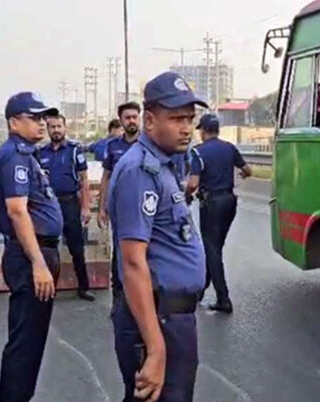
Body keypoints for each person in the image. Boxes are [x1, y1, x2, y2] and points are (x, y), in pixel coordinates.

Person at [109, 71, 207, 401]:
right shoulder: (140, 171)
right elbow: (134, 263)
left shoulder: (164, 164)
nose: (186, 128)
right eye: (177, 118)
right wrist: (155, 349)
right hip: (156, 318)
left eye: (190, 119)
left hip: (172, 317)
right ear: (149, 121)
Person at [0, 92, 63, 402]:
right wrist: (38, 263)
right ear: (13, 122)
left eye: (42, 118)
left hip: (38, 251)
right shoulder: (15, 155)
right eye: (34, 118)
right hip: (29, 255)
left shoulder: (26, 153)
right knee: (25, 342)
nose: (42, 124)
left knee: (31, 340)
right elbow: (17, 210)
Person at [186, 114, 251, 314]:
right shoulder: (229, 148)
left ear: (203, 131)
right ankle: (201, 290)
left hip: (211, 203)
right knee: (214, 247)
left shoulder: (198, 152)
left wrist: (186, 195)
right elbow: (248, 170)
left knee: (212, 249)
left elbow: (194, 183)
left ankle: (223, 298)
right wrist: (240, 174)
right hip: (229, 202)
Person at [38, 112, 95, 301]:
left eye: (59, 126)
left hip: (70, 203)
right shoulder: (41, 153)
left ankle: (84, 287)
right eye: (52, 127)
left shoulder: (74, 150)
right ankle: (48, 288)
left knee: (77, 249)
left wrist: (85, 207)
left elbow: (84, 180)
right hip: (49, 206)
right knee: (48, 248)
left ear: (65, 128)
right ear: (48, 130)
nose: (56, 130)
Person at [98, 101, 141, 308]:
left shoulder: (148, 144)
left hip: (143, 210)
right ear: (121, 121)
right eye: (127, 117)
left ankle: (142, 300)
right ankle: (118, 300)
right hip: (119, 211)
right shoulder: (113, 147)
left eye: (134, 116)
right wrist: (102, 207)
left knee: (143, 253)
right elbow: (106, 177)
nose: (131, 121)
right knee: (120, 253)